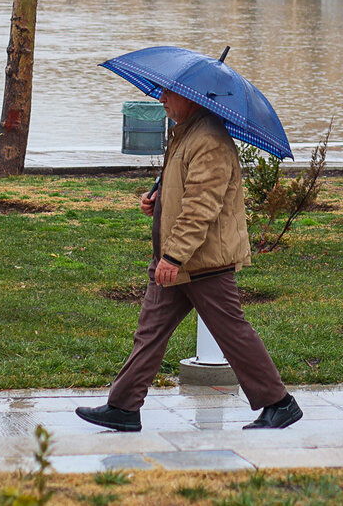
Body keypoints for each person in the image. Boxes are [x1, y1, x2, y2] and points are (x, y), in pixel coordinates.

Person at [75, 89, 301, 432]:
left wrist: (173, 256)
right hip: (177, 262)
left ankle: (280, 403)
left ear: (192, 97)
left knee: (232, 333)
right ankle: (123, 407)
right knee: (149, 334)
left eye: (169, 95)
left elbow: (201, 208)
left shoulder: (209, 140)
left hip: (203, 263)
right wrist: (158, 200)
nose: (162, 100)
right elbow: (183, 190)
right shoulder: (187, 132)